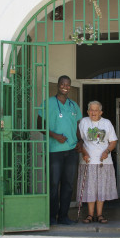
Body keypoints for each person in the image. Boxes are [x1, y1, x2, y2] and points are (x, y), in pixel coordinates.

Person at [37, 75, 83, 225]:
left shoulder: (74, 105)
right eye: (63, 84)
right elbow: (40, 126)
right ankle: (51, 217)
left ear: (70, 87)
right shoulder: (48, 103)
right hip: (54, 150)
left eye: (68, 85)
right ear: (58, 85)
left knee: (68, 184)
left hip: (71, 151)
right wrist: (54, 135)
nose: (65, 86)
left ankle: (63, 217)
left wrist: (80, 141)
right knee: (53, 184)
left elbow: (78, 127)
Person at [76, 101, 118, 224]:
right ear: (88, 111)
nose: (93, 112)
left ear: (101, 112)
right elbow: (79, 140)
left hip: (103, 162)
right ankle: (90, 215)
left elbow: (113, 141)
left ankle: (99, 215)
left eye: (96, 110)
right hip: (88, 161)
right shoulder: (83, 122)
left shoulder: (107, 123)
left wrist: (107, 151)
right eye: (91, 110)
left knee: (101, 189)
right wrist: (84, 152)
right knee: (90, 189)